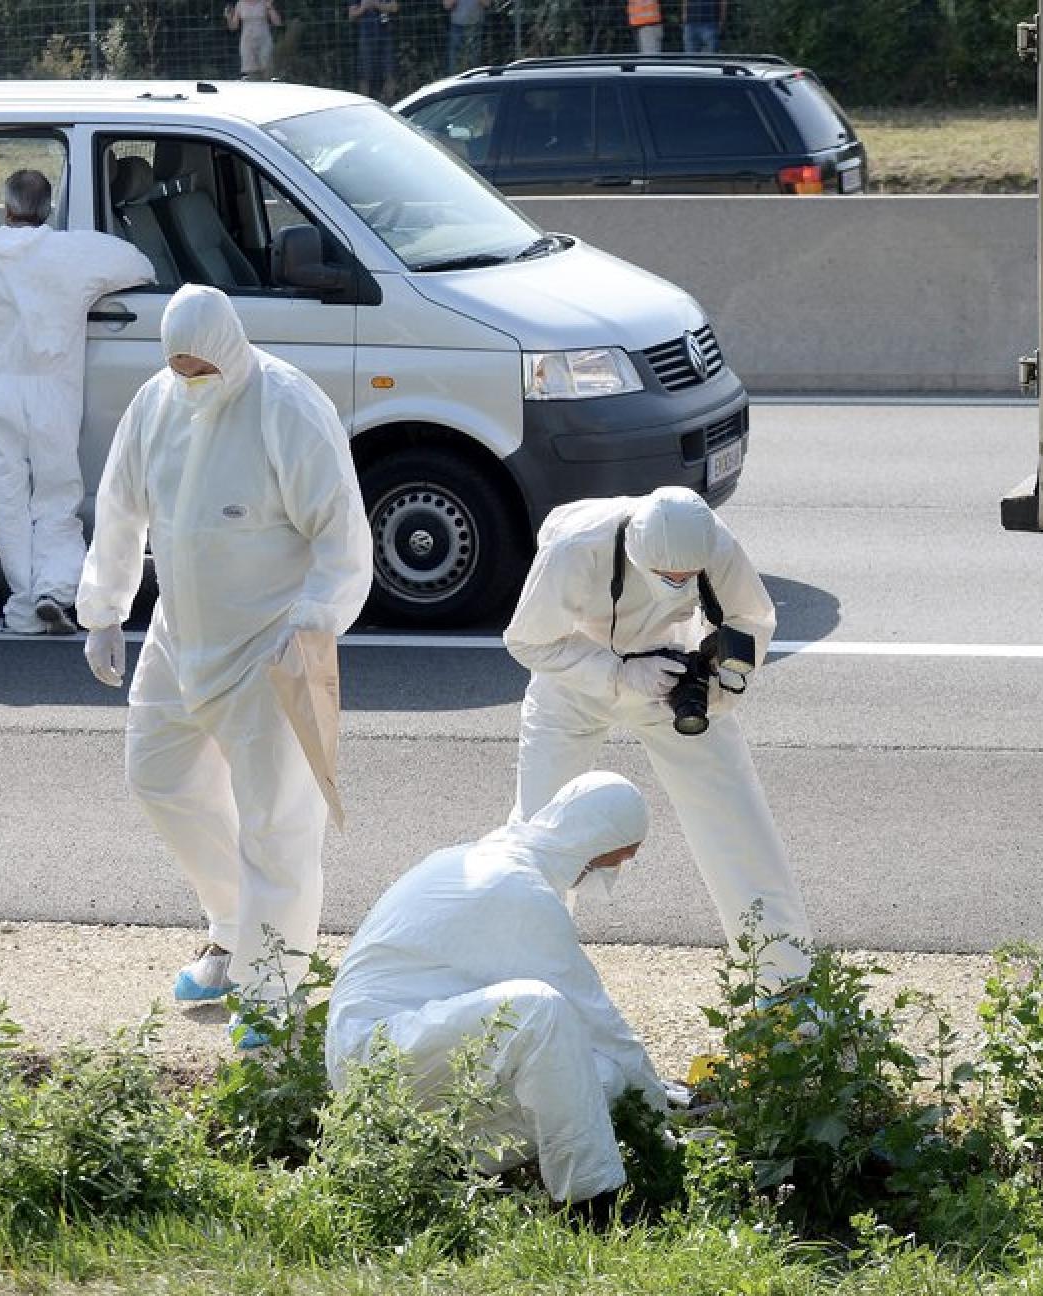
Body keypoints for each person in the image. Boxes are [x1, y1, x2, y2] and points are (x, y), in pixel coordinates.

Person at [75, 284, 371, 1040]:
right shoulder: (157, 401)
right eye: (179, 365)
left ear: (234, 349)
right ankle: (232, 924)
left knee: (278, 820)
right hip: (181, 632)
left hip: (271, 640)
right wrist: (105, 607)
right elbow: (120, 505)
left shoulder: (287, 407)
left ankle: (275, 986)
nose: (192, 377)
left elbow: (342, 534)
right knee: (159, 777)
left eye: (204, 365)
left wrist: (312, 621)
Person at [504, 487, 812, 984]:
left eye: (685, 577)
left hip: (670, 674)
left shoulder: (715, 545)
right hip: (574, 679)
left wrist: (716, 684)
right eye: (666, 576)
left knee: (738, 822)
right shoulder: (576, 547)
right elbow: (526, 640)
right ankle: (521, 981)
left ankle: (783, 986)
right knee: (537, 827)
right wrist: (616, 674)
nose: (676, 583)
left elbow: (752, 620)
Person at [327, 771, 672, 1206]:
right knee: (543, 1011)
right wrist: (662, 1128)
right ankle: (592, 1202)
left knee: (601, 1080)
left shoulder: (489, 860)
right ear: (591, 845)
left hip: (407, 1048)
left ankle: (439, 1161)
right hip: (374, 1053)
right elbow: (600, 1024)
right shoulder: (517, 890)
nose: (604, 875)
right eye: (608, 862)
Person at [0, 169, 154, 637]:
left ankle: (21, 605)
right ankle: (55, 589)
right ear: (48, 208)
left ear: (5, 206)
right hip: (53, 390)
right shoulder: (69, 254)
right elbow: (139, 264)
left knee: (7, 499)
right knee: (56, 497)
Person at [347, 0, 400, 100]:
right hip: (366, 36)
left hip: (385, 35)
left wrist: (377, 5)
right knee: (365, 74)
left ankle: (390, 104)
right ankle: (364, 105)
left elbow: (395, 7)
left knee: (390, 71)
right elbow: (351, 15)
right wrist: (364, 7)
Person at [226, 0, 282, 79]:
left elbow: (277, 22)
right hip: (247, 42)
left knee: (267, 70)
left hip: (264, 40)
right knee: (251, 73)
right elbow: (233, 27)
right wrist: (228, 17)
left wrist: (269, 7)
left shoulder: (264, 2)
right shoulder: (240, 4)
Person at [442, 0, 485, 71]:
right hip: (457, 26)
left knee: (474, 59)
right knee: (454, 60)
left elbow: (487, 4)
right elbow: (447, 6)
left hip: (475, 26)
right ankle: (454, 80)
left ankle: (474, 80)